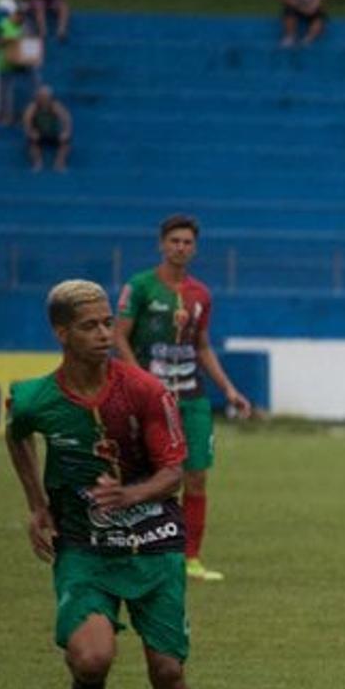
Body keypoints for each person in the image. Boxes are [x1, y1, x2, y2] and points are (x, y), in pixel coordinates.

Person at [5, 280, 195, 689]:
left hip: (154, 542)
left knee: (169, 672)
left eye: (108, 322)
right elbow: (17, 433)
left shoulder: (145, 390)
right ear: (61, 332)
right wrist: (36, 505)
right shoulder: (35, 399)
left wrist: (131, 496)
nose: (104, 333)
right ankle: (87, 683)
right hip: (85, 547)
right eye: (90, 326)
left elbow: (174, 471)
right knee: (92, 658)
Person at [113, 215, 250, 582]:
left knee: (197, 477)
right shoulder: (140, 287)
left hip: (192, 397)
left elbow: (202, 345)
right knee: (146, 474)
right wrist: (139, 380)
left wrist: (229, 390)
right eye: (174, 240)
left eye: (187, 242)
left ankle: (190, 558)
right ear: (161, 243)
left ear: (195, 247)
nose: (180, 247)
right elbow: (118, 336)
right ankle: (134, 546)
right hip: (150, 400)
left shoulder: (200, 294)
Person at [0, 1, 35, 123]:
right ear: (15, 15)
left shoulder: (26, 26)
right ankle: (4, 115)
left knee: (28, 87)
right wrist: (14, 39)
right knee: (4, 91)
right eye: (20, 15)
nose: (22, 18)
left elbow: (32, 42)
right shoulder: (3, 24)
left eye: (24, 16)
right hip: (5, 62)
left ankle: (28, 115)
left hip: (22, 62)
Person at [22, 85, 72, 172]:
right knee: (32, 142)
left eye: (46, 97)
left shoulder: (55, 106)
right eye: (42, 96)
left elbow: (67, 118)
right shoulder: (33, 107)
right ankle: (37, 163)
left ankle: (59, 163)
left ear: (50, 97)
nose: (44, 99)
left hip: (53, 132)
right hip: (39, 133)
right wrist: (30, 132)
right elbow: (26, 121)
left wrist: (66, 131)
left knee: (66, 142)